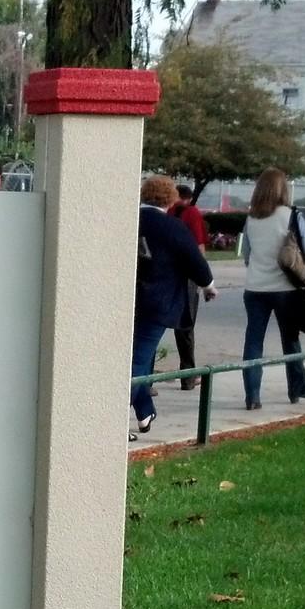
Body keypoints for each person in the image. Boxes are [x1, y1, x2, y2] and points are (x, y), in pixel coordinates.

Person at [134, 175, 217, 439]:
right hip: (158, 302)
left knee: (144, 358)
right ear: (171, 199)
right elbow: (196, 262)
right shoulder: (173, 227)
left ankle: (145, 411)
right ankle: (111, 421)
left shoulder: (130, 220)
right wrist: (209, 285)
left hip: (128, 299)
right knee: (137, 360)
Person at [238, 167, 305, 409]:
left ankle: (252, 396)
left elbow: (247, 255)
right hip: (285, 288)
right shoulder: (291, 215)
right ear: (283, 189)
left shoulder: (251, 218)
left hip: (254, 288)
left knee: (253, 341)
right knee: (290, 339)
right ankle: (296, 387)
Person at [171, 184, 209, 389]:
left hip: (166, 275)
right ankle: (188, 376)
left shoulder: (165, 212)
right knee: (185, 327)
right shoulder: (192, 213)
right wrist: (205, 280)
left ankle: (147, 381)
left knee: (155, 327)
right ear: (189, 198)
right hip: (187, 277)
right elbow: (198, 247)